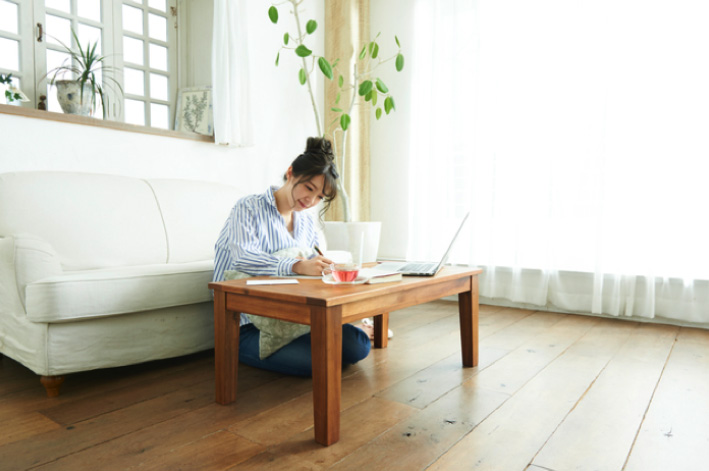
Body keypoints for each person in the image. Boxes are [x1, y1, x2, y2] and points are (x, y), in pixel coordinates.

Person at [212, 137, 371, 376]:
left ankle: (349, 334)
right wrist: (298, 265)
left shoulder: (307, 223)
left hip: (293, 319)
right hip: (247, 326)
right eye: (309, 188)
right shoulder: (248, 208)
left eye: (319, 197)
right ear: (290, 173)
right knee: (316, 362)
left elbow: (314, 267)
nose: (311, 201)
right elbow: (243, 258)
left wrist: (324, 268)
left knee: (358, 346)